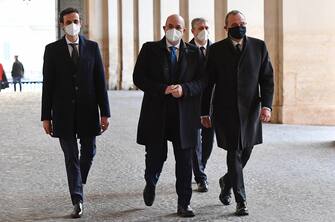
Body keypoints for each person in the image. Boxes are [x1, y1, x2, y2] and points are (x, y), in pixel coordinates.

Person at [202, 10, 274, 216]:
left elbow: (267, 79)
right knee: (234, 152)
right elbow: (208, 84)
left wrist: (267, 106)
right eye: (234, 24)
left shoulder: (259, 46)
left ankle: (226, 182)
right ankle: (241, 200)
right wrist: (204, 112)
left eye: (242, 23)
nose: (239, 26)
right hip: (225, 112)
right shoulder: (215, 50)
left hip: (250, 111)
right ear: (226, 28)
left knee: (246, 151)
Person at [133, 14, 206, 218]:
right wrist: (162, 89)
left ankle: (184, 203)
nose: (174, 30)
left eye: (178, 27)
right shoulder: (149, 49)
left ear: (184, 31)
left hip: (185, 115)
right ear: (164, 27)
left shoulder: (194, 52)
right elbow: (138, 77)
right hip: (156, 112)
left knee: (184, 162)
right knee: (156, 156)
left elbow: (203, 81)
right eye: (170, 26)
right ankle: (151, 181)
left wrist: (185, 89)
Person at [41, 7, 110, 218]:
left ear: (81, 22)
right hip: (62, 113)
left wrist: (105, 113)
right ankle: (77, 199)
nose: (73, 24)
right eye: (69, 21)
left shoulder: (92, 47)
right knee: (71, 157)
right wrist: (46, 116)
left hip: (89, 111)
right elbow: (48, 85)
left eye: (76, 20)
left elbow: (100, 82)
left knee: (89, 152)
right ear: (62, 24)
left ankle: (79, 179)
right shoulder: (52, 50)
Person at [189, 17, 214, 193]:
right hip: (192, 102)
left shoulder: (216, 49)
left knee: (208, 139)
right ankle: (200, 176)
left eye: (206, 27)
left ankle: (201, 166)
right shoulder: (186, 50)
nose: (203, 30)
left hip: (211, 103)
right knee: (194, 141)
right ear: (193, 31)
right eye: (200, 28)